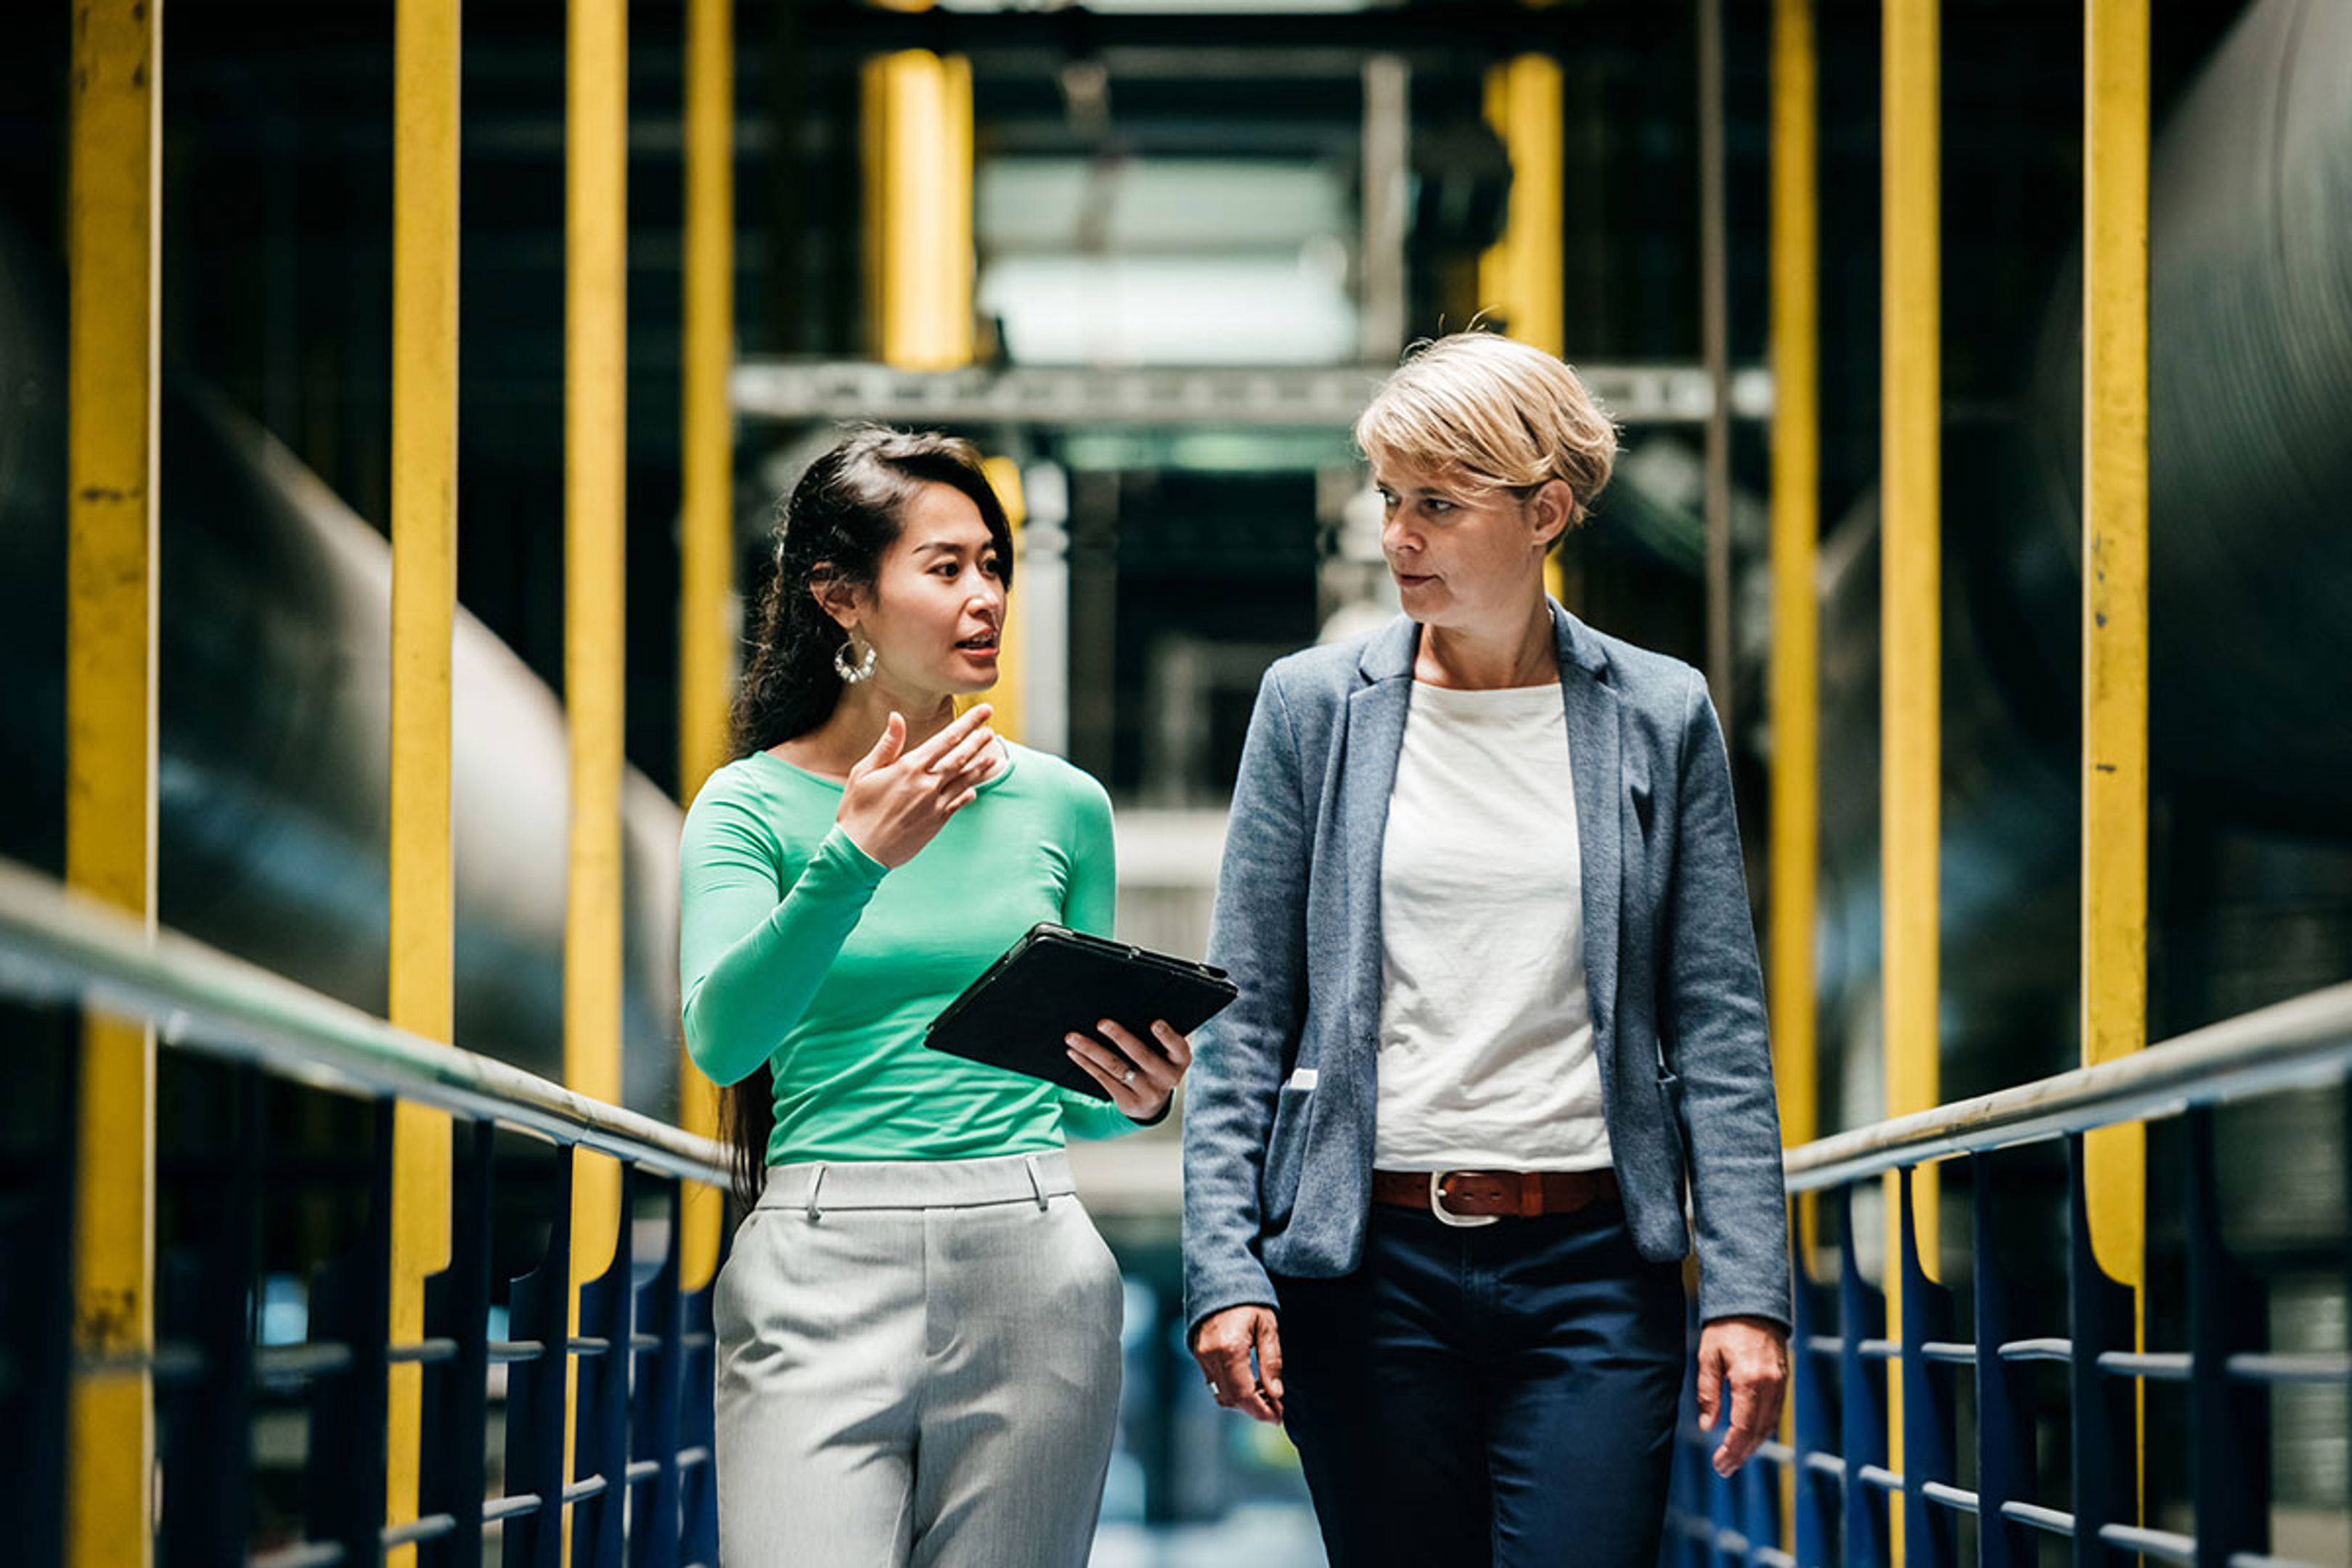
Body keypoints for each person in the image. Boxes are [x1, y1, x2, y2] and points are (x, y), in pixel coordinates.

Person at [1181, 332, 1792, 1567]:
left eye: (1441, 507)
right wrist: (1223, 1268)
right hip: (1369, 1267)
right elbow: (1245, 1015)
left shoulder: (1659, 714)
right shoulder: (1313, 708)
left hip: (1594, 1270)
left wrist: (1746, 1292)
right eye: (1391, 501)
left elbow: (1716, 1019)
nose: (1399, 537)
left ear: (1545, 511)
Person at [679, 427, 1191, 1568]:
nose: (986, 597)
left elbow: (1089, 1102)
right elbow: (723, 1042)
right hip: (817, 1259)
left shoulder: (1066, 807)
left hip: (1032, 1254)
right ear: (841, 598)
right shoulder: (747, 806)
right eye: (946, 567)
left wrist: (1143, 1092)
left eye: (994, 565)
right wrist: (854, 859)